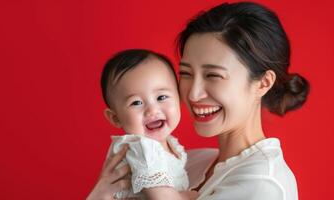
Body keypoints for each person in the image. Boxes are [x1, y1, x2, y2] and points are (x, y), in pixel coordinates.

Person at [87, 2, 309, 200]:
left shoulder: (262, 184)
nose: (193, 94)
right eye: (186, 73)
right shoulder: (188, 161)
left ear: (263, 83)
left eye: (213, 75)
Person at [94, 49, 195, 199]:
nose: (152, 110)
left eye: (161, 97)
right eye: (136, 102)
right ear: (115, 118)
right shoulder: (141, 148)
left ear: (179, 98)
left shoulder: (170, 144)